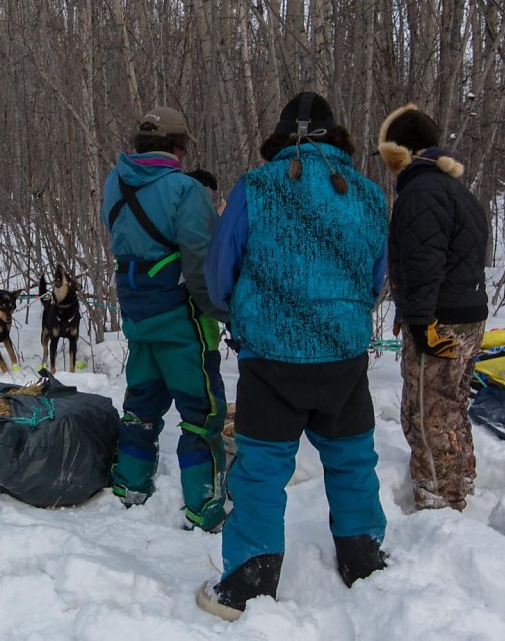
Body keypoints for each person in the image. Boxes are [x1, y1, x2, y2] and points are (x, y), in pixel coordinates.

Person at [198, 92, 388, 620]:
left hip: (271, 359)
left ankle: (247, 583)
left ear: (282, 140)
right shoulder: (370, 196)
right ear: (339, 139)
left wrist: (238, 312)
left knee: (260, 470)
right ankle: (363, 557)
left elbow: (219, 272)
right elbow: (376, 279)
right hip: (344, 357)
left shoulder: (254, 189)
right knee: (351, 459)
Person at [101, 105, 230, 533]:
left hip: (137, 310)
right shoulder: (186, 191)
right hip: (181, 317)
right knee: (202, 412)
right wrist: (220, 310)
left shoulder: (114, 182)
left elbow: (121, 231)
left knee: (141, 403)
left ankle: (131, 485)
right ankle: (205, 506)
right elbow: (200, 260)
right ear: (178, 146)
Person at [377, 104, 488, 511]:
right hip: (465, 315)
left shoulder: (422, 192)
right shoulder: (454, 189)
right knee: (451, 404)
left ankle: (441, 498)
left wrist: (421, 322)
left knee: (427, 413)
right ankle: (461, 477)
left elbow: (425, 264)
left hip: (442, 320)